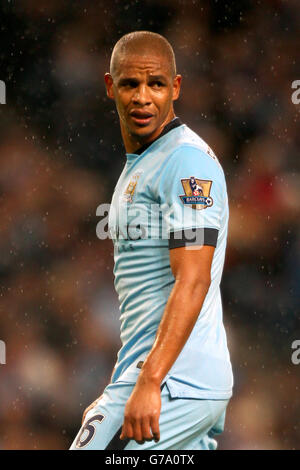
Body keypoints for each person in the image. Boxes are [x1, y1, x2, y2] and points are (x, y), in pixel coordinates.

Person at [70, 30, 233, 451]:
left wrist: (148, 382)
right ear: (110, 86)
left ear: (175, 87)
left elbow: (193, 279)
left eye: (156, 83)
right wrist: (126, 382)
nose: (143, 96)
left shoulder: (186, 162)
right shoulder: (143, 163)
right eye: (130, 84)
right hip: (166, 379)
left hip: (177, 382)